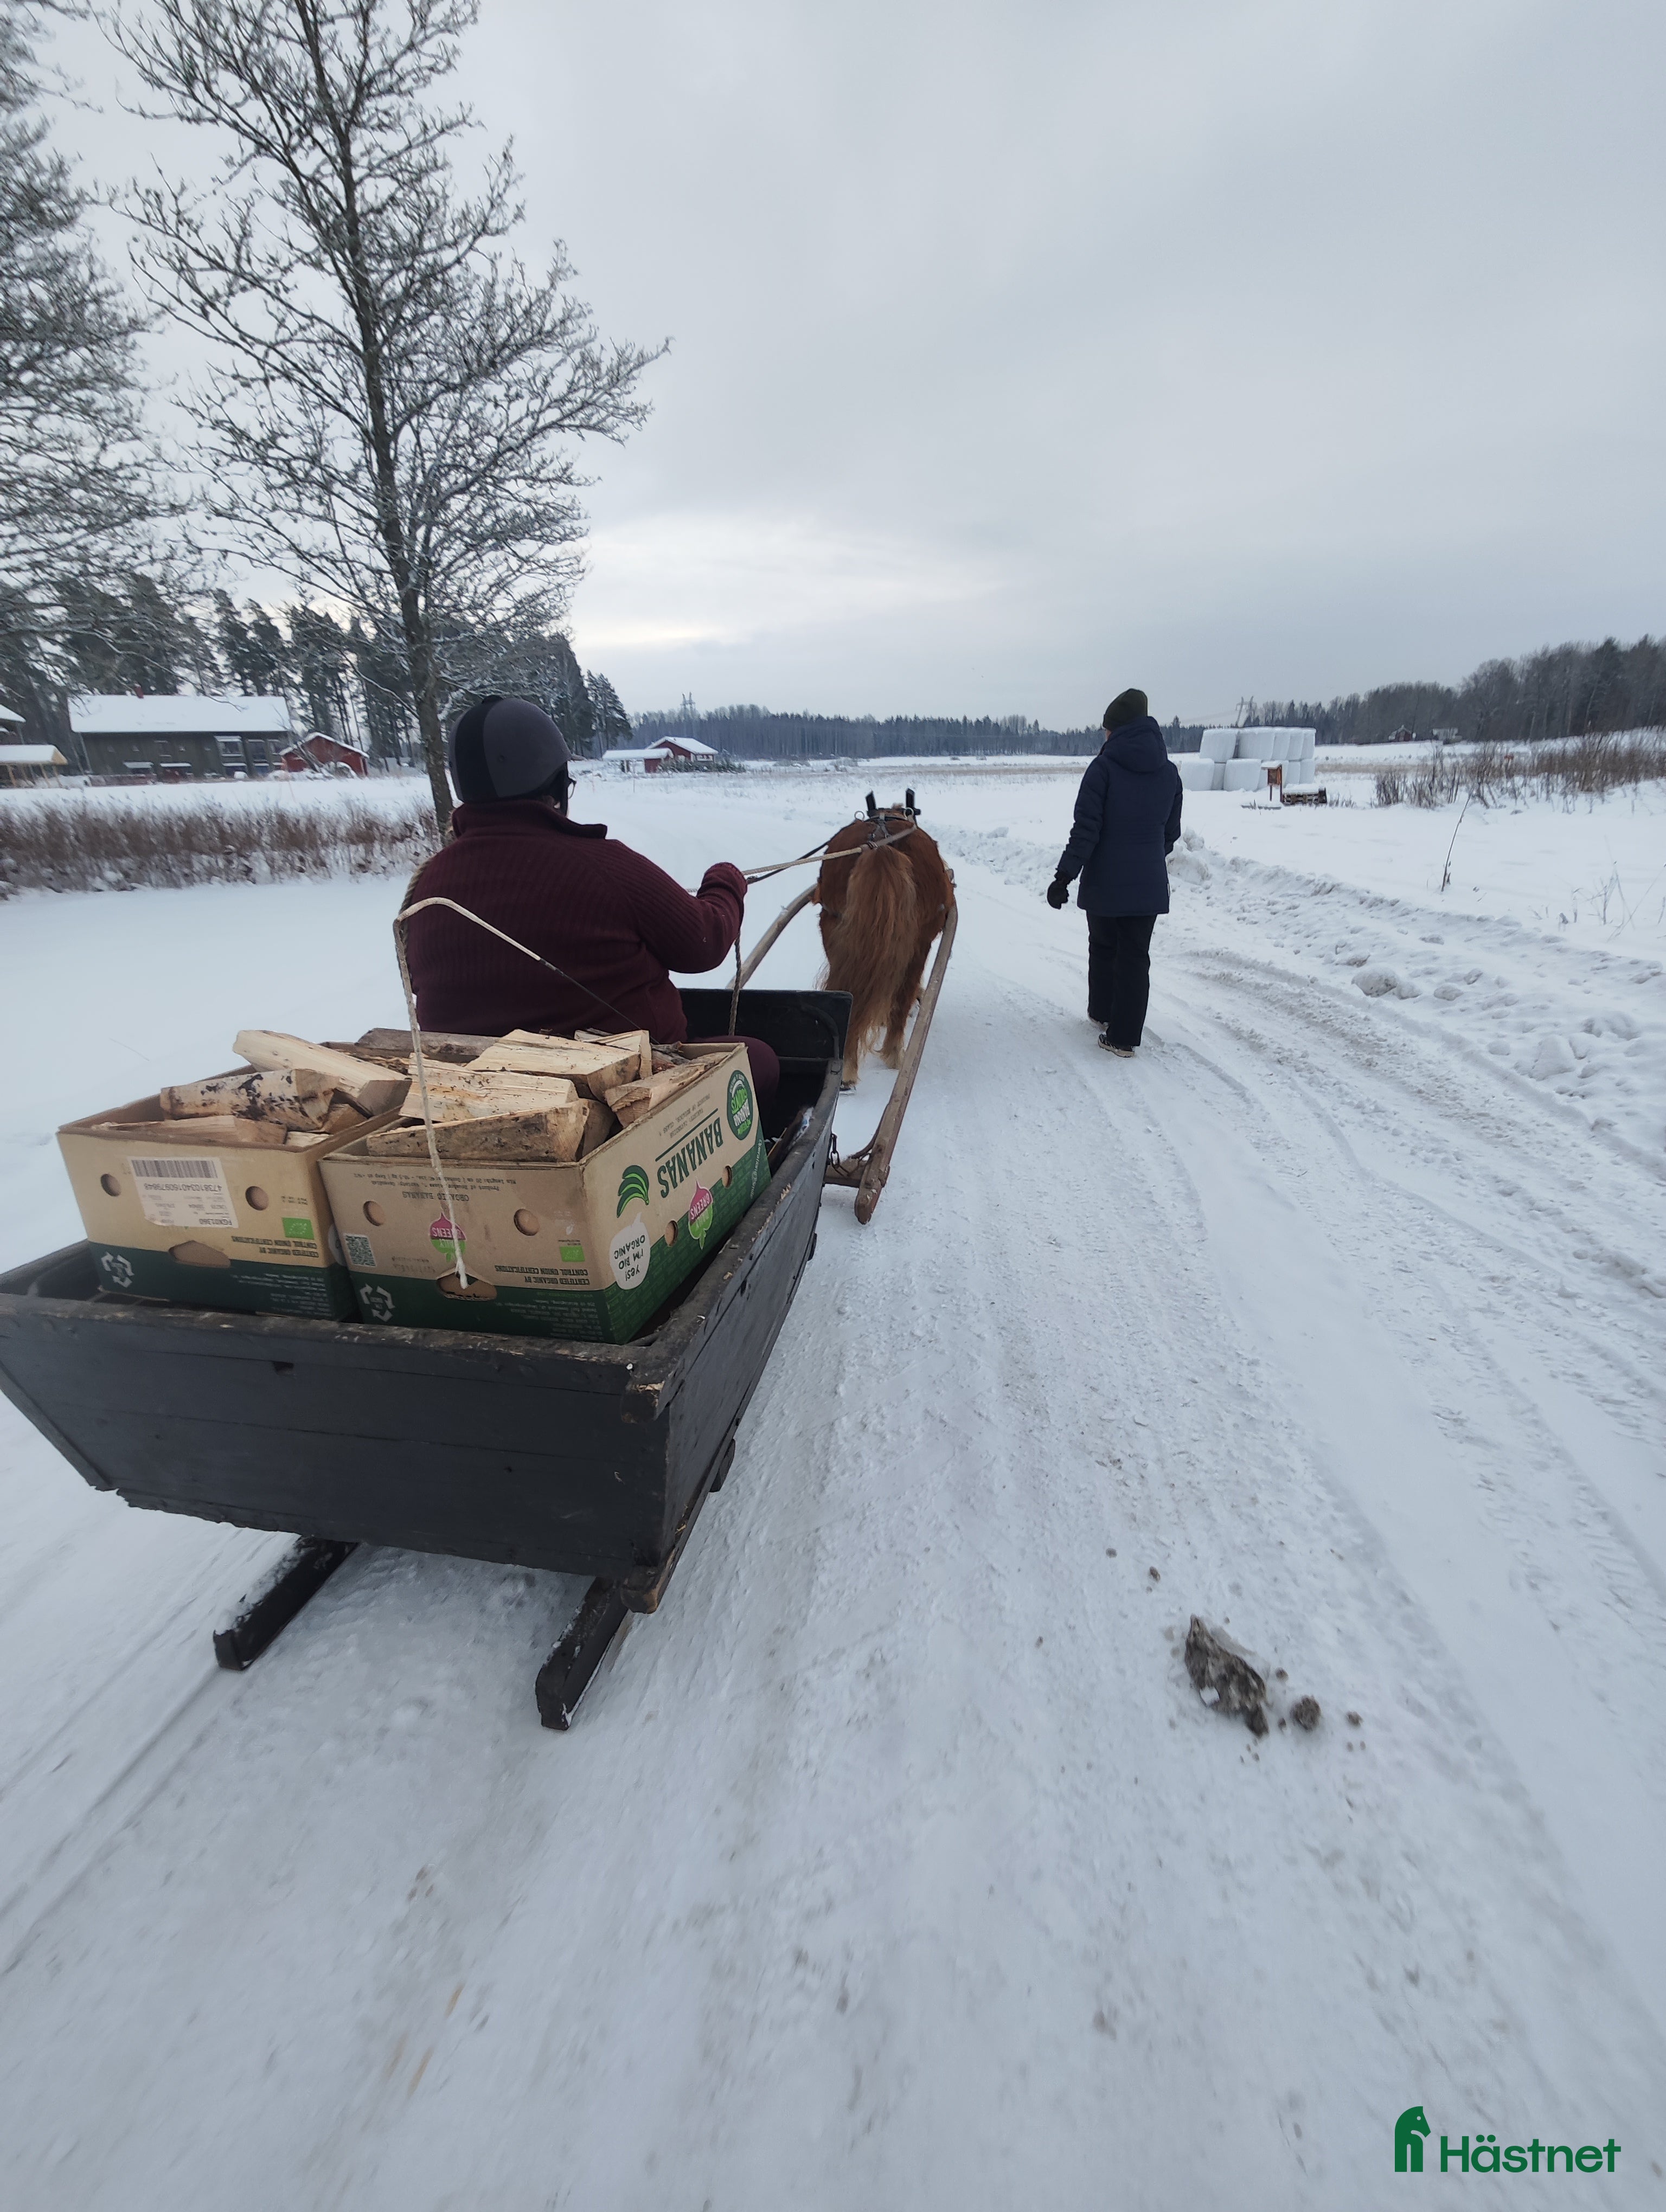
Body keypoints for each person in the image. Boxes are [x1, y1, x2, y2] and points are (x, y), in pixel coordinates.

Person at [403, 695, 779, 1116]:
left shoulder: (428, 885)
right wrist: (726, 882)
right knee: (760, 1059)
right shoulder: (603, 866)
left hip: (474, 1096)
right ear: (555, 787)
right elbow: (704, 942)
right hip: (612, 1097)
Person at [1045, 687, 1183, 1057]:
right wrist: (1148, 857)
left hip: (1106, 881)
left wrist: (1063, 877)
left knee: (1104, 946)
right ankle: (1123, 1037)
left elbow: (1086, 830)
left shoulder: (1102, 769)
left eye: (1107, 729)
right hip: (1149, 884)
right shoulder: (1170, 773)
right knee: (1136, 956)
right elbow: (1171, 834)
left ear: (1117, 730)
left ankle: (1102, 1012)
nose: (1104, 736)